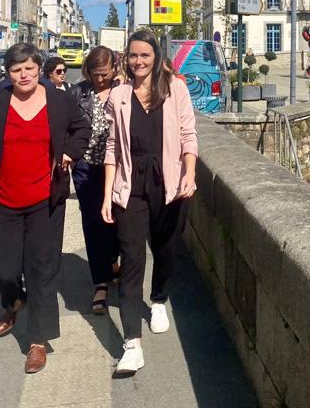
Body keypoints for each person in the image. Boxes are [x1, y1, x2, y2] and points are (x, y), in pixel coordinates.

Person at [0, 43, 89, 374]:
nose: (24, 75)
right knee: (3, 267)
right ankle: (13, 300)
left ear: (39, 70)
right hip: (4, 199)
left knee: (42, 270)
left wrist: (69, 154)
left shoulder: (59, 101)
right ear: (8, 73)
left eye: (30, 69)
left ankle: (37, 341)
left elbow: (81, 129)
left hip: (45, 201)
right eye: (17, 70)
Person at [101, 30, 198, 376]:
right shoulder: (119, 95)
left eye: (144, 55)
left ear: (156, 57)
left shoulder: (176, 90)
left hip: (169, 182)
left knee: (166, 248)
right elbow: (112, 146)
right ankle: (132, 345)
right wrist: (107, 194)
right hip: (131, 186)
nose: (138, 61)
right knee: (130, 261)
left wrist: (190, 173)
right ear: (125, 59)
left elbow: (188, 134)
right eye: (132, 56)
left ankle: (158, 300)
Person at [68, 46, 121, 315]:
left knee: (116, 220)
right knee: (92, 222)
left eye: (104, 73)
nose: (100, 79)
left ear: (114, 68)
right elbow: (66, 125)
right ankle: (100, 282)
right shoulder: (78, 92)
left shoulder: (125, 91)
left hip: (119, 167)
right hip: (86, 167)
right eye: (95, 74)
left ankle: (113, 259)